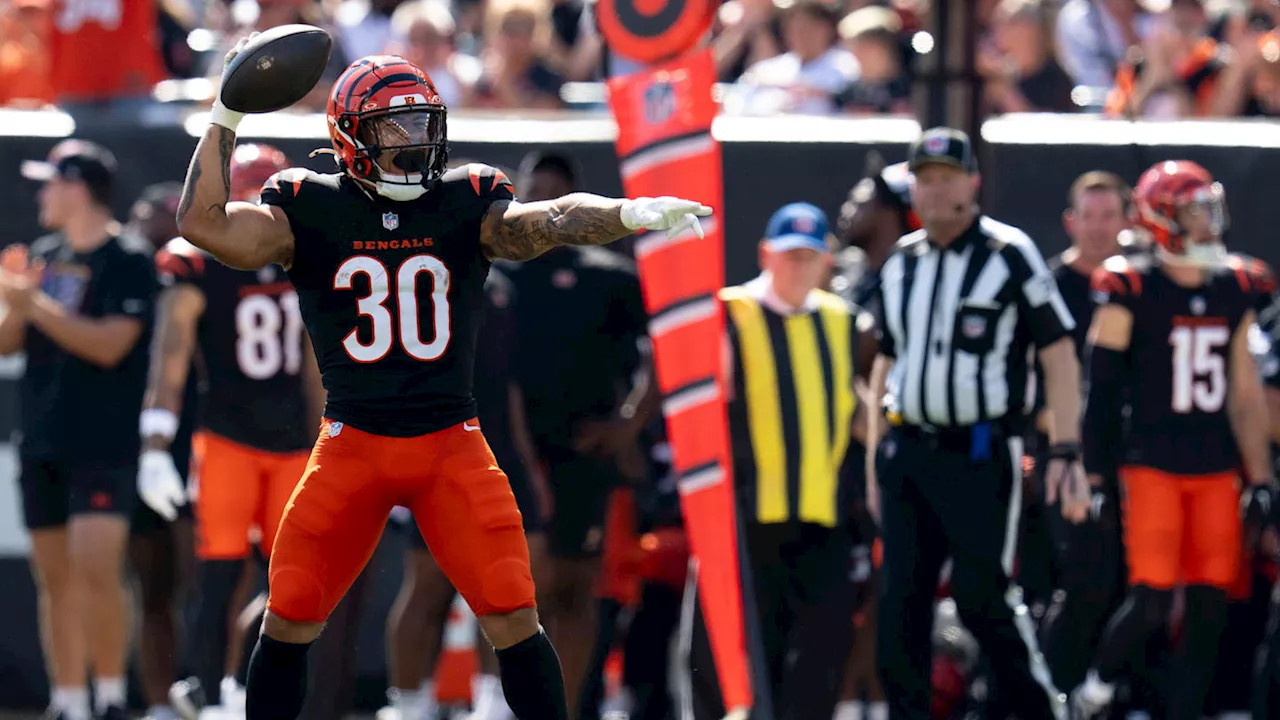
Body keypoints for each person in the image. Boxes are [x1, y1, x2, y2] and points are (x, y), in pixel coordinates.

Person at [173, 43, 712, 720]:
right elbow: (202, 224)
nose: (414, 146)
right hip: (352, 446)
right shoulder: (308, 206)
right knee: (290, 616)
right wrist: (226, 113)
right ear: (348, 137)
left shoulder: (464, 199)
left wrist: (625, 214)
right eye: (394, 131)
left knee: (514, 612)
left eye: (425, 126)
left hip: (449, 444)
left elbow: (542, 223)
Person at [865, 126, 1087, 720]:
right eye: (925, 179)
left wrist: (1065, 447)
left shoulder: (1007, 253)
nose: (935, 191)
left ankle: (1040, 711)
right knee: (899, 606)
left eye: (946, 178)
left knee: (981, 596)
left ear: (973, 182)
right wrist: (874, 461)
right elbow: (888, 361)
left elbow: (1059, 350)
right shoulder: (902, 262)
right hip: (907, 450)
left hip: (981, 452)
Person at [1072, 160, 1276, 720]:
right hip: (1153, 461)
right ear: (1162, 219)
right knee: (1153, 596)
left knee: (1212, 602)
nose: (1209, 222)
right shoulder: (1130, 286)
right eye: (1194, 210)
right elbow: (1102, 392)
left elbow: (1244, 392)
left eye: (1209, 207)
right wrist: (1093, 473)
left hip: (1215, 465)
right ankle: (1096, 688)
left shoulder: (1237, 285)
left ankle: (1185, 710)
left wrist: (1259, 476)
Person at [135, 142, 327, 718]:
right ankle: (211, 691)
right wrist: (155, 444)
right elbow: (171, 361)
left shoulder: (302, 259)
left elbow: (318, 366)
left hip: (278, 442)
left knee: (280, 584)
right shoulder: (201, 263)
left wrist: (155, 441)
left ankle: (237, 688)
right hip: (231, 440)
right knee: (224, 577)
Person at [682, 202, 868, 720]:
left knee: (820, 657)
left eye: (810, 257)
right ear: (766, 254)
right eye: (790, 256)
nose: (799, 266)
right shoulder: (730, 313)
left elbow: (857, 412)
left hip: (822, 522)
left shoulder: (842, 322)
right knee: (740, 660)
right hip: (747, 522)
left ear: (827, 260)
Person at [380, 176, 548, 720]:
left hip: (491, 448)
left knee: (501, 586)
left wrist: (526, 463)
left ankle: (491, 703)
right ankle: (410, 705)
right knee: (427, 587)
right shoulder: (414, 264)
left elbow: (511, 386)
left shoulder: (505, 287)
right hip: (432, 444)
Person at [500, 148, 658, 720]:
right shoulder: (500, 274)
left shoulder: (609, 276)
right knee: (518, 594)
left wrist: (630, 422)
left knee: (576, 588)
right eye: (532, 190)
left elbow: (667, 344)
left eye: (553, 192)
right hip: (510, 457)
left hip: (584, 455)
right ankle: (508, 706)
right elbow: (492, 373)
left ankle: (561, 709)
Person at [5, 140, 158, 720]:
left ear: (78, 188)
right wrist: (14, 302)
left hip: (103, 440)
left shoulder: (129, 259)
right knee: (55, 576)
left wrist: (31, 304)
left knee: (98, 566)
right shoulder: (44, 256)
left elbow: (109, 345)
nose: (41, 194)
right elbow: (8, 341)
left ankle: (113, 696)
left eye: (50, 183)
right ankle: (67, 700)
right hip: (41, 437)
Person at [1036, 171, 1132, 695]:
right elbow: (1033, 385)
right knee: (1083, 581)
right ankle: (1057, 692)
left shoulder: (1143, 284)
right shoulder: (1048, 287)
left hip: (1133, 459)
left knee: (1139, 586)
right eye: (1088, 215)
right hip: (1065, 457)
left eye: (1108, 215)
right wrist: (1068, 447)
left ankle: (1116, 696)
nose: (1097, 228)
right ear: (1070, 221)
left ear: (1128, 220)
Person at [124, 182, 201, 720]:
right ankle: (158, 702)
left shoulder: (208, 277)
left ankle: (213, 688)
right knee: (152, 587)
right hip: (141, 445)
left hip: (205, 441)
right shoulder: (125, 274)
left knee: (207, 584)